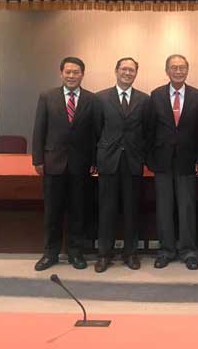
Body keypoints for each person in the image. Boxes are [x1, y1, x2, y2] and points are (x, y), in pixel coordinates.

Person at [31, 56, 96, 271]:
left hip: (80, 165)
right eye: (68, 72)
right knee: (52, 212)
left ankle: (75, 253)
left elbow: (94, 133)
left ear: (82, 74)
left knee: (78, 211)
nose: (71, 76)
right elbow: (39, 129)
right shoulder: (47, 96)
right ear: (61, 73)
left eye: (76, 72)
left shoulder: (91, 99)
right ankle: (50, 253)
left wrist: (94, 160)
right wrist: (38, 159)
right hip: (53, 163)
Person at [147, 54, 198, 270]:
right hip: (162, 161)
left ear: (187, 70)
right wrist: (150, 160)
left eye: (182, 67)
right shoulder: (156, 95)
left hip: (187, 161)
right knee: (164, 208)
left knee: (187, 208)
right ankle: (166, 251)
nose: (178, 71)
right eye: (174, 67)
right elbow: (149, 130)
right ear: (167, 71)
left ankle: (188, 251)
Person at [93, 57, 150, 273]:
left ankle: (130, 253)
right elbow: (96, 130)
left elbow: (147, 131)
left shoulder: (144, 100)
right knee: (106, 210)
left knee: (131, 210)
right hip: (108, 161)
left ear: (136, 73)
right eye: (124, 69)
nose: (127, 73)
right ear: (116, 71)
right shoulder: (100, 98)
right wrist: (97, 158)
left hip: (133, 161)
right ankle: (104, 254)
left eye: (131, 70)